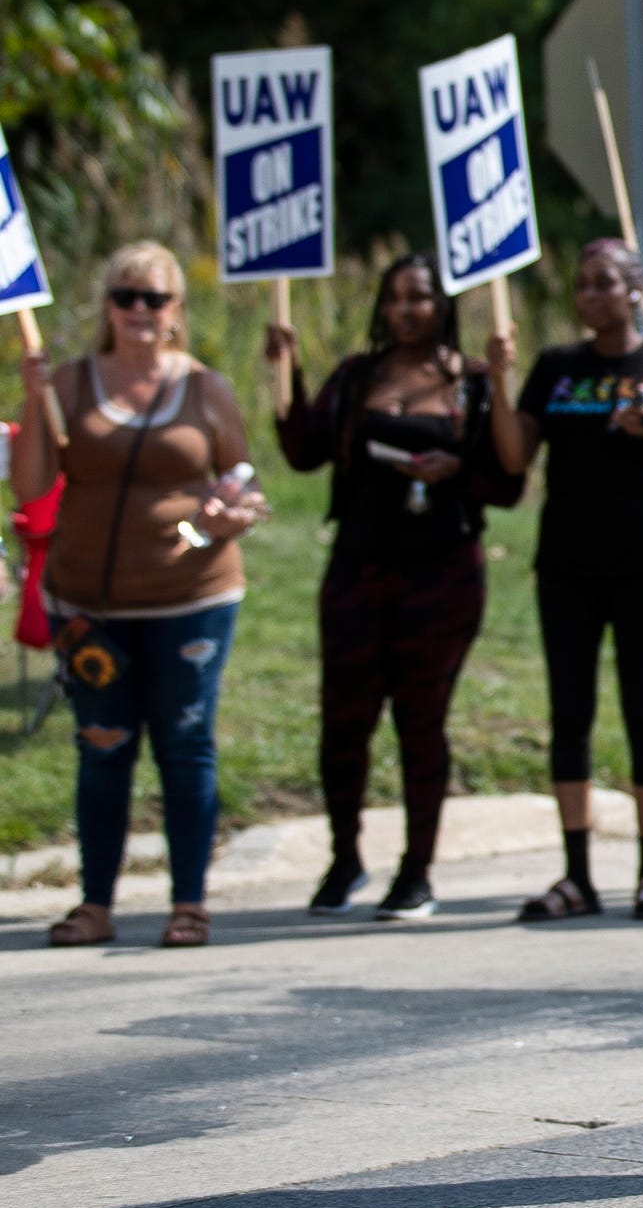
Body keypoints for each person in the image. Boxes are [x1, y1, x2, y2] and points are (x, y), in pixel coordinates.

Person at [15, 242, 269, 949]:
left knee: (185, 746)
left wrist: (231, 513)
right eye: (125, 296)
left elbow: (241, 484)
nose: (139, 310)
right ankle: (95, 904)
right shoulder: (67, 382)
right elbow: (31, 488)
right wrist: (34, 400)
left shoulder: (206, 389)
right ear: (107, 307)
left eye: (154, 298)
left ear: (175, 311)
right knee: (102, 747)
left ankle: (190, 903)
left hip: (192, 598)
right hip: (88, 603)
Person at [274, 252, 526, 921]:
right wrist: (285, 370)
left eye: (419, 297)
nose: (406, 309)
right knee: (343, 722)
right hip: (359, 572)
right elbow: (303, 450)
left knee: (422, 722)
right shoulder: (359, 376)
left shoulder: (471, 382)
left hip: (442, 576)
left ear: (443, 304)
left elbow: (508, 481)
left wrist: (461, 461)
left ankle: (416, 870)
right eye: (394, 298)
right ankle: (344, 856)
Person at [501, 239, 643, 922]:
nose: (591, 295)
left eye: (606, 283)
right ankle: (576, 876)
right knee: (571, 711)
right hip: (566, 565)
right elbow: (514, 457)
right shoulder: (557, 367)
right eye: (582, 284)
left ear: (635, 289)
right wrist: (492, 383)